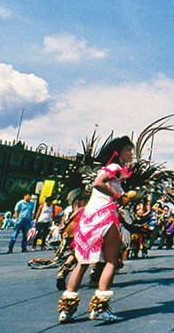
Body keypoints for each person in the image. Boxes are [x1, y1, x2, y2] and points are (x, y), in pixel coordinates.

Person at [58, 136, 134, 323]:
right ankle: (100, 308)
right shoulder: (114, 168)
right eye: (128, 150)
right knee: (110, 262)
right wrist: (117, 195)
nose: (131, 154)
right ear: (117, 153)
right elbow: (98, 183)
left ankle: (66, 310)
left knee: (81, 263)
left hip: (89, 219)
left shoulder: (108, 168)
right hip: (105, 217)